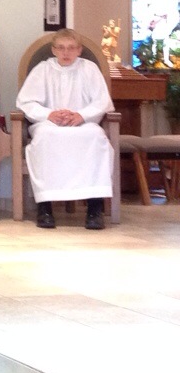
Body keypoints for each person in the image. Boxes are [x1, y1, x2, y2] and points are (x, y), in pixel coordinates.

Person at [16, 28, 114, 230]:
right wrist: (49, 114)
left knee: (96, 136)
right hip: (49, 124)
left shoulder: (89, 69)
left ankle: (94, 209)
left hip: (84, 124)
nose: (66, 53)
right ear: (53, 50)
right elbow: (26, 101)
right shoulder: (43, 70)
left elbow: (101, 101)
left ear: (79, 50)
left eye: (71, 48)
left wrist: (81, 115)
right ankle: (45, 208)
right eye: (61, 48)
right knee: (44, 137)